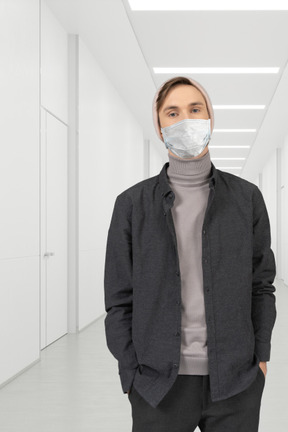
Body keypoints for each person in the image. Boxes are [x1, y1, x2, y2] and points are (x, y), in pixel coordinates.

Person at [104, 76, 277, 431]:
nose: (185, 120)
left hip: (235, 381)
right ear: (159, 126)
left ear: (210, 118)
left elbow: (261, 286)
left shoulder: (246, 199)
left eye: (195, 109)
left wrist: (260, 359)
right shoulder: (132, 205)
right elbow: (119, 300)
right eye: (173, 112)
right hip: (157, 384)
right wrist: (130, 373)